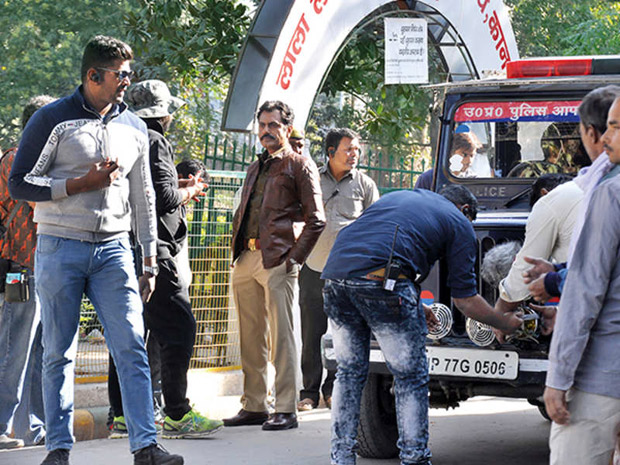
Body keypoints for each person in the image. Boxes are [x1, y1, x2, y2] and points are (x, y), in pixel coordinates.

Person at [9, 36, 182, 465]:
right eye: (120, 74)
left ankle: (145, 446)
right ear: (93, 76)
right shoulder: (53, 119)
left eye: (128, 73)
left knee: (130, 347)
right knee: (58, 352)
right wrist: (78, 185)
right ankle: (58, 449)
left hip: (113, 252)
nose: (127, 81)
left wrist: (148, 260)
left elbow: (143, 197)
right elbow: (19, 183)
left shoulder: (134, 127)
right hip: (59, 247)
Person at [322, 186, 522, 465]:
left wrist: (417, 305)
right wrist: (504, 322)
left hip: (335, 277)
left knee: (349, 372)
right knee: (410, 375)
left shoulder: (399, 197)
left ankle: (341, 459)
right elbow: (464, 301)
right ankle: (414, 459)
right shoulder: (458, 221)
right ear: (465, 210)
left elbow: (381, 250)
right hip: (382, 281)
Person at [224, 100, 325, 431]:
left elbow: (317, 220)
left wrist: (293, 259)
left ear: (287, 129)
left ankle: (285, 407)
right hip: (246, 258)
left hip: (278, 260)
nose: (266, 131)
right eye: (262, 125)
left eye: (273, 125)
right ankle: (254, 405)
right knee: (251, 337)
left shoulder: (299, 165)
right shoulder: (256, 166)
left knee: (282, 336)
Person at [542, 94, 620, 465]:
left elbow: (586, 292)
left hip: (601, 375)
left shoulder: (610, 192)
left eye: (617, 127)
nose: (607, 139)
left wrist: (558, 378)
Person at [297, 128, 379, 412]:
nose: (354, 154)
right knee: (312, 331)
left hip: (348, 273)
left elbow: (374, 226)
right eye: (348, 149)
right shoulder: (313, 180)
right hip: (313, 268)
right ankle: (308, 392)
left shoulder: (365, 185)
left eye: (357, 149)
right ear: (330, 152)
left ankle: (333, 389)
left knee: (343, 332)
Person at [521, 85, 620, 303]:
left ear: (590, 133)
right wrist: (559, 269)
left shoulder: (606, 188)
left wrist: (554, 281)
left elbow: (595, 270)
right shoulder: (595, 182)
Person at [0, 95, 56, 450]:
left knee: (41, 353)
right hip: (21, 268)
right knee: (13, 349)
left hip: (49, 267)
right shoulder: (15, 160)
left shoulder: (49, 161)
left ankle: (31, 428)